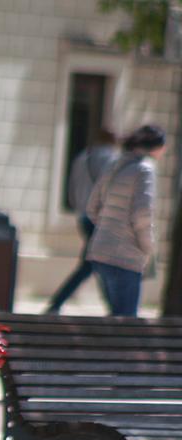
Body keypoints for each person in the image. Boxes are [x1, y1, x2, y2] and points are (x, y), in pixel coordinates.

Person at [85, 124, 166, 316]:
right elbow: (143, 215)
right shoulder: (145, 169)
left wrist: (108, 229)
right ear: (156, 147)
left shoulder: (115, 165)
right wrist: (148, 248)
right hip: (125, 258)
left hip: (100, 251)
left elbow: (92, 208)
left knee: (115, 319)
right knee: (127, 321)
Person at [46, 129, 118, 314]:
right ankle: (57, 303)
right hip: (101, 219)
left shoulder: (82, 157)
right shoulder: (112, 160)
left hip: (84, 216)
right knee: (94, 263)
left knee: (95, 263)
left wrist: (78, 207)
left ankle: (113, 307)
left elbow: (71, 188)